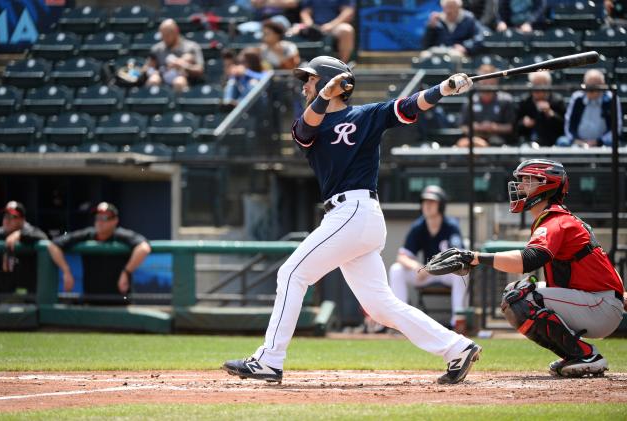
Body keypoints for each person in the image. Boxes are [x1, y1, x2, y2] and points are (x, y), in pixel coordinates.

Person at [223, 55, 481, 385]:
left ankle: (269, 360)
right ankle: (456, 347)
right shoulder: (309, 123)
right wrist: (323, 94)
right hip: (350, 218)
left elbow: (408, 106)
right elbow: (304, 129)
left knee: (291, 273)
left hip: (356, 211)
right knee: (380, 306)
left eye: (312, 79)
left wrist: (443, 88)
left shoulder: (367, 115)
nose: (305, 85)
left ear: (334, 82)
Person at [463, 159, 624, 377]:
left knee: (519, 298)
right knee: (515, 293)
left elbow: (530, 259)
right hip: (598, 302)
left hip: (600, 305)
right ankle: (574, 354)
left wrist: (475, 257)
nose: (519, 186)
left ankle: (586, 355)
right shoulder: (554, 217)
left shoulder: (556, 220)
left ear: (547, 185)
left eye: (527, 181)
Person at [387, 186, 468, 331]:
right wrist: (417, 267)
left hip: (446, 273)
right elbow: (402, 256)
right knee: (397, 270)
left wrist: (431, 267)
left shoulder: (451, 226)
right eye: (425, 202)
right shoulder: (418, 226)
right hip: (427, 273)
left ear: (441, 205)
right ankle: (401, 323)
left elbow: (458, 258)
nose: (427, 205)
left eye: (432, 202)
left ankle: (458, 321)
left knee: (462, 273)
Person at [47, 202, 151, 303]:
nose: (100, 221)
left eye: (105, 218)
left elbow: (144, 248)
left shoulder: (122, 235)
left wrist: (126, 272)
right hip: (91, 299)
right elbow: (53, 245)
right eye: (97, 218)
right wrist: (66, 271)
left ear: (115, 220)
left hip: (120, 300)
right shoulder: (87, 234)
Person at [557, 69, 622, 147]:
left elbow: (616, 128)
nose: (591, 89)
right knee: (562, 142)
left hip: (603, 143)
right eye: (589, 86)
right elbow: (568, 125)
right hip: (578, 142)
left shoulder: (611, 99)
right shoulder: (577, 98)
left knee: (612, 142)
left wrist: (598, 142)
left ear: (603, 85)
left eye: (595, 86)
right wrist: (577, 140)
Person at [456, 64, 516, 147]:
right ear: (479, 81)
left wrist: (493, 127)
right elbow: (463, 126)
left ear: (496, 81)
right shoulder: (471, 100)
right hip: (475, 139)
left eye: (490, 80)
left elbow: (510, 127)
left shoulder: (505, 100)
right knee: (463, 144)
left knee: (495, 142)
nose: (487, 83)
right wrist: (476, 127)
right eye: (484, 80)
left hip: (498, 141)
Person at [0, 201, 47, 295]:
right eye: (6, 216)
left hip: (25, 295)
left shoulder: (30, 232)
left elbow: (43, 237)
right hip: (2, 294)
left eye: (13, 217)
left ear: (22, 220)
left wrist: (20, 234)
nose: (7, 220)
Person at [146, 19, 205, 92]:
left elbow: (200, 69)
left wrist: (183, 65)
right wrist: (153, 72)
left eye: (167, 35)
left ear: (176, 32)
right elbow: (148, 67)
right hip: (163, 79)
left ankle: (179, 103)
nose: (164, 38)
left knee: (179, 81)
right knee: (153, 80)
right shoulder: (157, 48)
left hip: (186, 81)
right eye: (163, 35)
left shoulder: (192, 47)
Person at [421, 0, 486, 59]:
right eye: (446, 7)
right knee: (424, 55)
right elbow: (425, 44)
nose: (448, 11)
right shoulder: (438, 20)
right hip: (440, 50)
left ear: (459, 7)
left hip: (458, 52)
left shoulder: (468, 19)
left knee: (455, 57)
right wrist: (430, 28)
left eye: (451, 7)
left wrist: (465, 47)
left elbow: (479, 37)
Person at [516, 71, 566, 147]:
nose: (537, 89)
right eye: (534, 85)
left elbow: (564, 127)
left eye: (540, 85)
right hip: (528, 141)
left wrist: (550, 113)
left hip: (552, 141)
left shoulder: (557, 100)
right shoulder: (525, 100)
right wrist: (524, 123)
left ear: (547, 86)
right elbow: (515, 126)